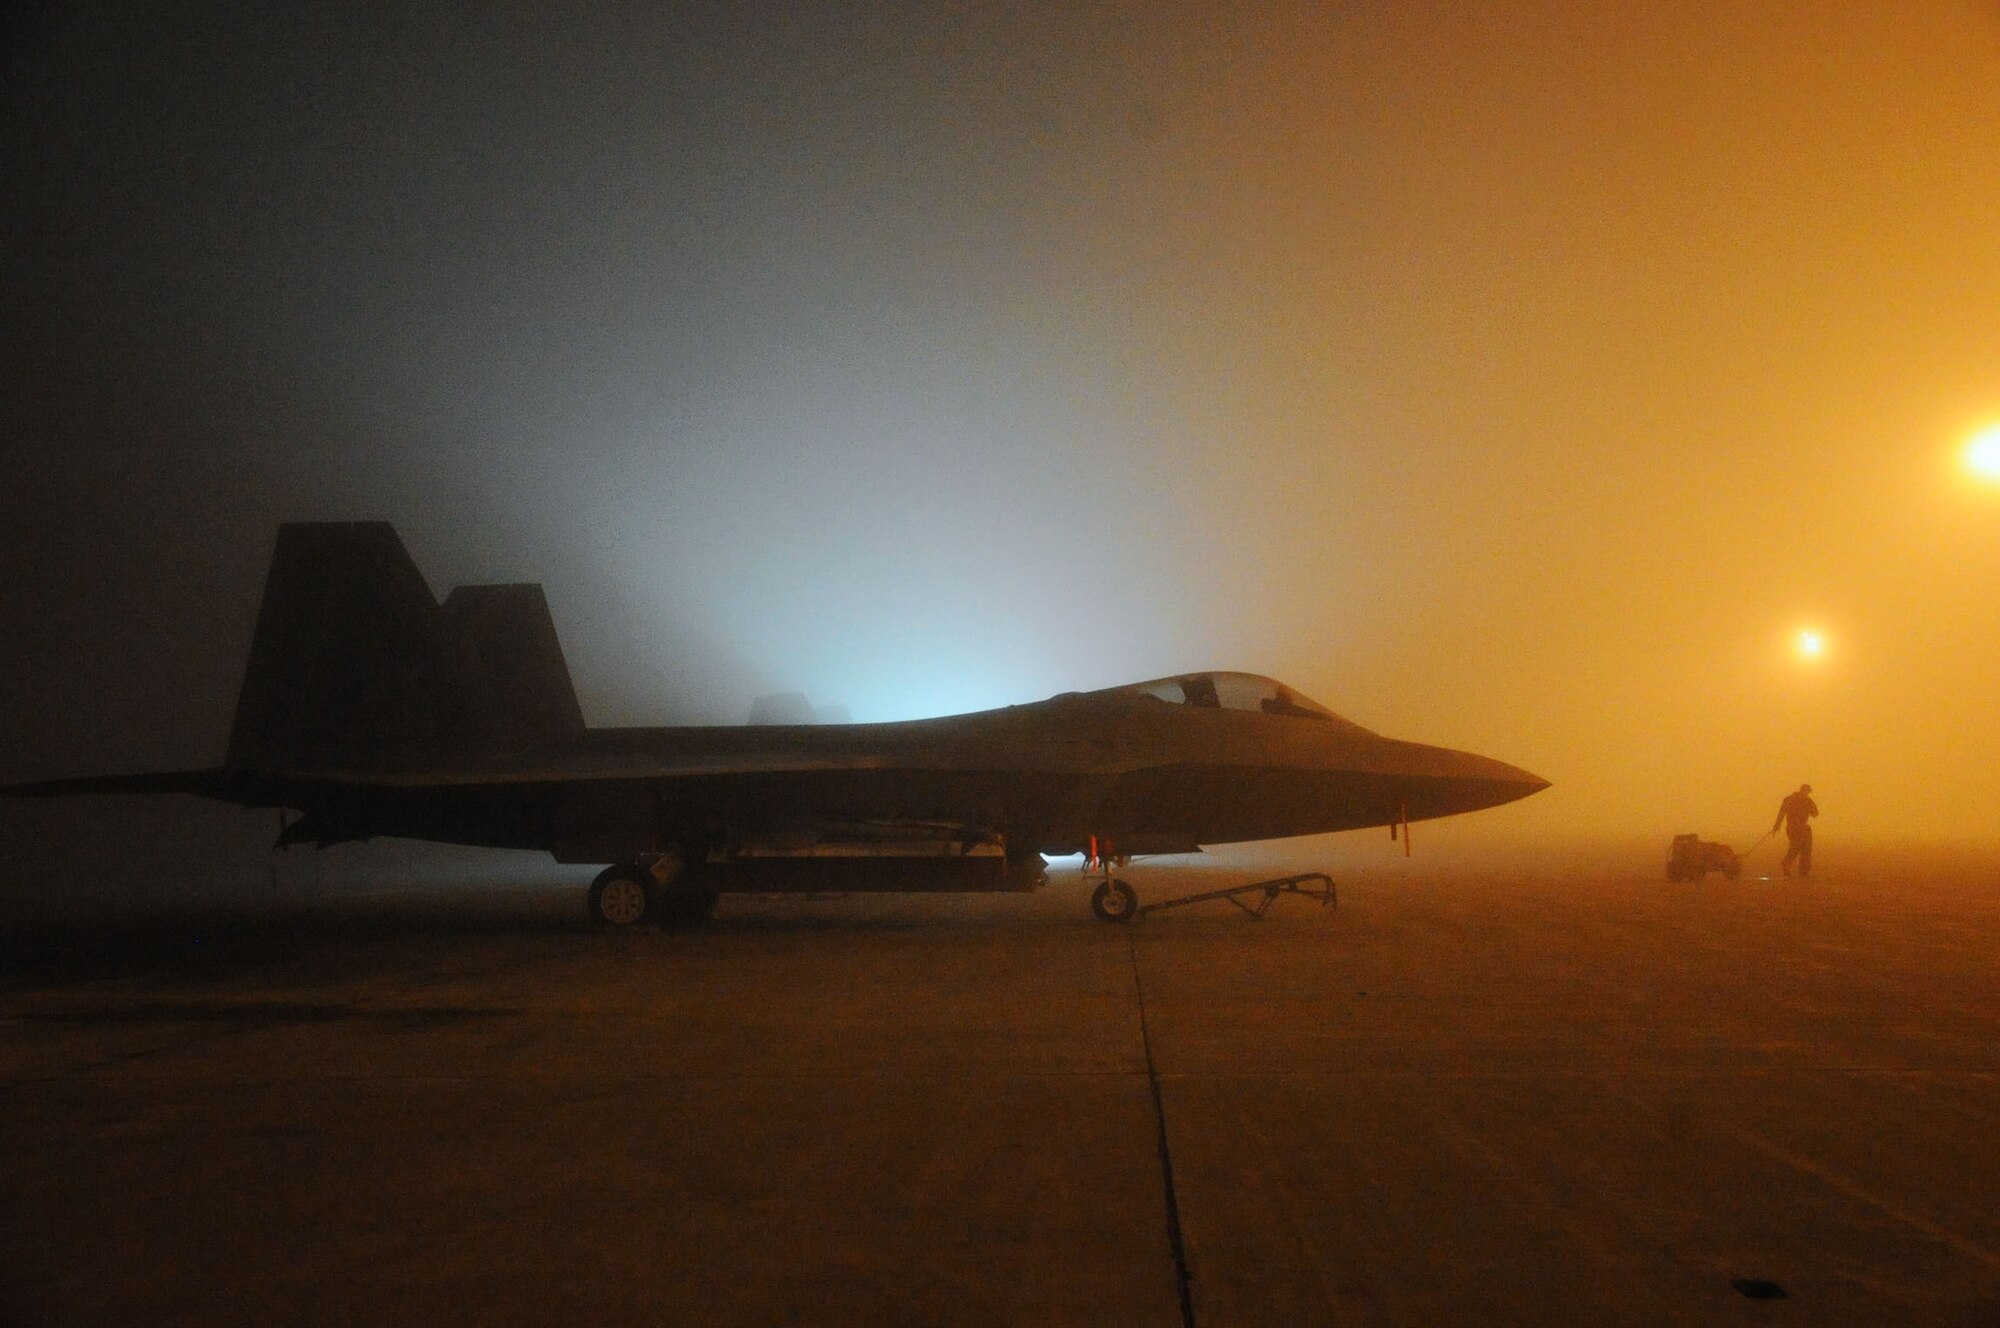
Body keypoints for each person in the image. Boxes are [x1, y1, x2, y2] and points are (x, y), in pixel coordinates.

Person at [1772, 783, 1819, 878]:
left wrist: (1777, 826)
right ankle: (1787, 864)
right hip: (1794, 828)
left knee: (1805, 850)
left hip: (1802, 828)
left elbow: (1815, 813)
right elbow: (1782, 813)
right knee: (1795, 847)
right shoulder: (1791, 800)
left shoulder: (1802, 800)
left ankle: (1803, 871)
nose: (1807, 794)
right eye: (1807, 792)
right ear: (1803, 791)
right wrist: (1777, 826)